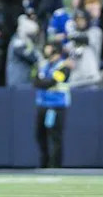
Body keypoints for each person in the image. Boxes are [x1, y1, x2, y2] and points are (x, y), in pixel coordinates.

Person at [33, 40, 71, 168]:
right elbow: (35, 82)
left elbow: (52, 82)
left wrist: (43, 82)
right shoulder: (43, 65)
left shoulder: (63, 66)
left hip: (57, 105)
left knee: (55, 136)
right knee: (40, 135)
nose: (46, 50)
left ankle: (55, 166)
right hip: (42, 104)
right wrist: (43, 82)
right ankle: (44, 163)